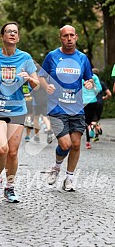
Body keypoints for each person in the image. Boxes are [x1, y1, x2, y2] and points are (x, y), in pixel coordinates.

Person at [0, 21, 39, 202]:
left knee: (13, 152)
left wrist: (28, 77)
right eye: (8, 31)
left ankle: (10, 188)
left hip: (17, 109)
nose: (12, 34)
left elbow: (35, 85)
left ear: (18, 37)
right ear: (2, 36)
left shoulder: (26, 58)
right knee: (2, 149)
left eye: (15, 32)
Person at [38, 25, 94, 191]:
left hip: (76, 108)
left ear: (76, 37)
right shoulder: (52, 56)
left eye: (71, 35)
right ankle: (56, 167)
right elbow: (42, 76)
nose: (69, 38)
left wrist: (89, 83)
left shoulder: (83, 58)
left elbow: (89, 79)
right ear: (60, 38)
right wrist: (46, 86)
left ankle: (69, 178)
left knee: (76, 145)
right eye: (65, 36)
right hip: (57, 107)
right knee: (65, 144)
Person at [82, 71, 102, 149]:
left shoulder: (80, 77)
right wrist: (93, 85)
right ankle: (92, 127)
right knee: (92, 119)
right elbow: (99, 89)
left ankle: (87, 142)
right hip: (93, 101)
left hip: (83, 102)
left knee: (86, 121)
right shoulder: (94, 77)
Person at [91, 68, 112, 142]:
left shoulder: (89, 83)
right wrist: (104, 97)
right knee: (97, 119)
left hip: (91, 102)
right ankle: (96, 134)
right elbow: (109, 94)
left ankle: (94, 128)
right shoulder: (101, 83)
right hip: (100, 102)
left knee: (91, 119)